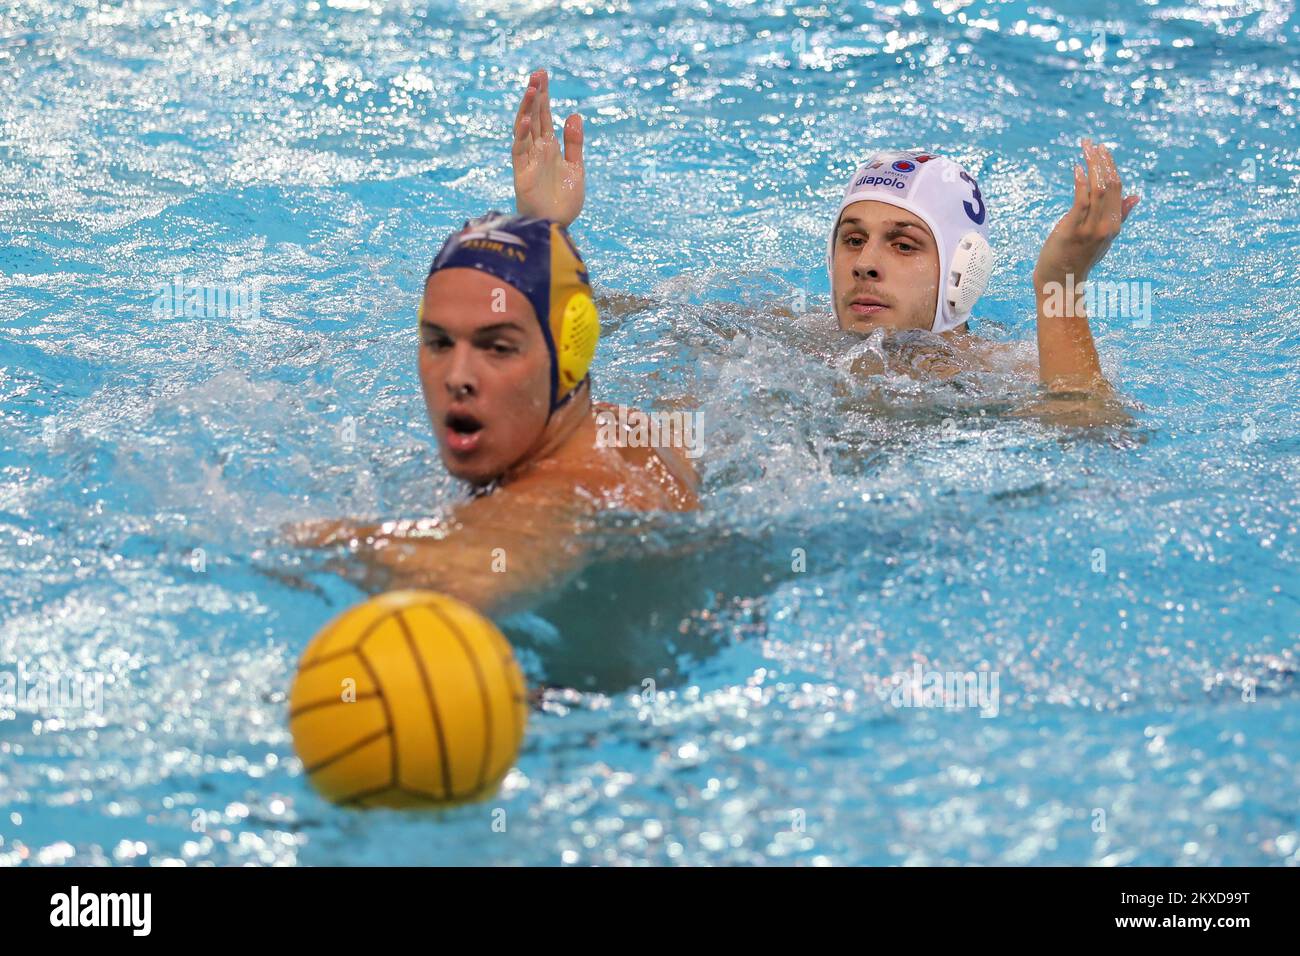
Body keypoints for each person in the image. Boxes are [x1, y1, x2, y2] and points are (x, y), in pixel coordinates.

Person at [513, 69, 1140, 411]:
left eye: (903, 244)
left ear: (962, 271)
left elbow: (1089, 431)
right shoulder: (784, 336)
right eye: (852, 240)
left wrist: (1061, 284)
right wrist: (548, 231)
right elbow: (589, 321)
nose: (865, 264)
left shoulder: (997, 375)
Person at [289, 213, 698, 617]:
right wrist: (546, 234)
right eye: (439, 342)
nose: (457, 377)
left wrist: (307, 544)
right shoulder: (625, 429)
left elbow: (469, 575)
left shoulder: (573, 490)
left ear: (570, 355)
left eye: (498, 348)